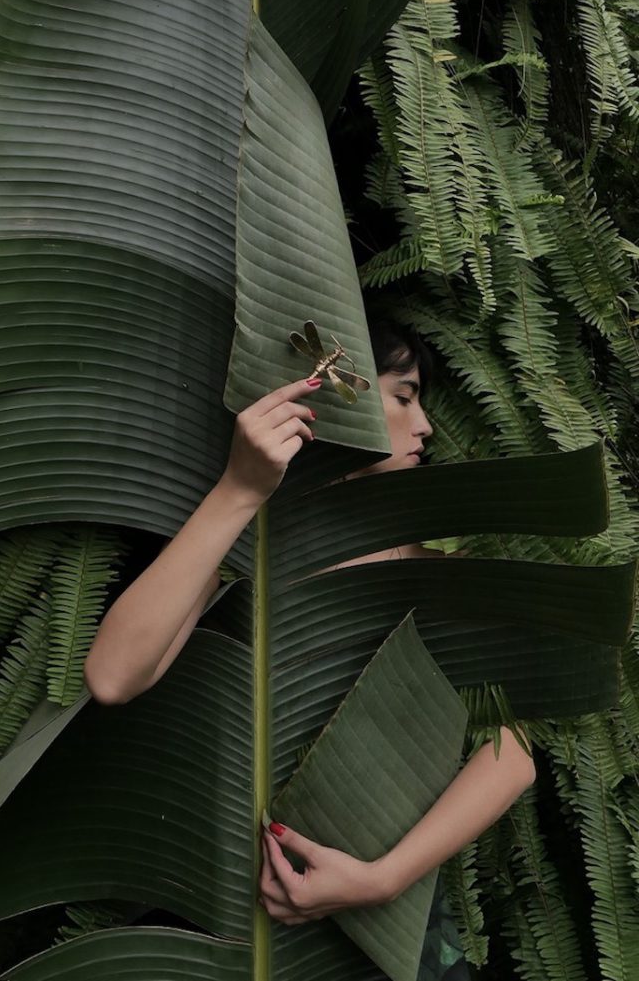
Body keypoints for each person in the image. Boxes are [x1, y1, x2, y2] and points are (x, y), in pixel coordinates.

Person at [83, 319, 536, 965]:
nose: (426, 425)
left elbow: (510, 751)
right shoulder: (246, 533)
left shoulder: (426, 557)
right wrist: (239, 490)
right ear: (327, 390)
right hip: (220, 912)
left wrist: (382, 877)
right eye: (404, 395)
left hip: (382, 929)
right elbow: (113, 675)